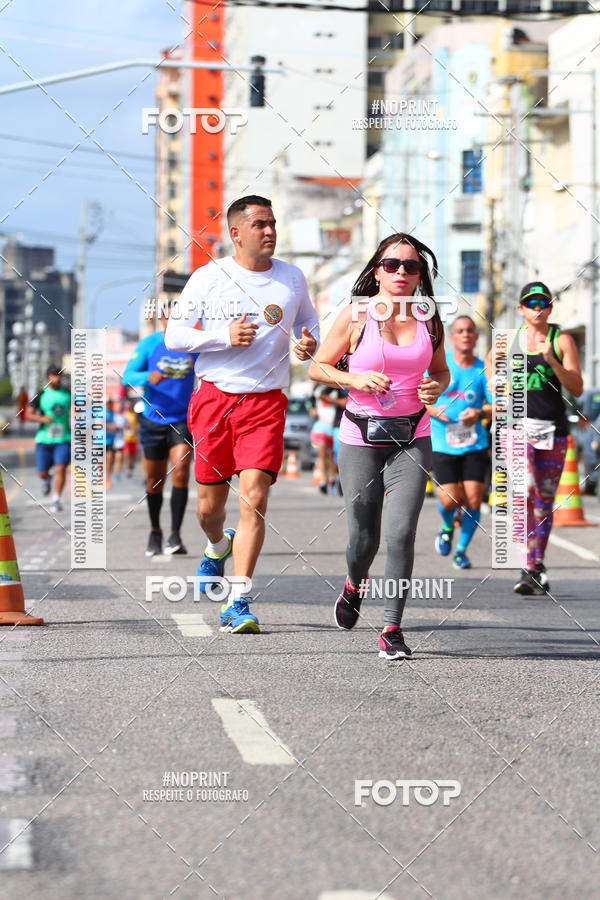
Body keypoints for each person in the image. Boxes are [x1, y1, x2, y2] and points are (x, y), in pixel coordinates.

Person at [165, 195, 318, 635]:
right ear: (236, 233)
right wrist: (221, 336)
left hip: (266, 402)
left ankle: (239, 600)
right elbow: (174, 335)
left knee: (255, 497)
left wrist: (309, 343)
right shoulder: (209, 277)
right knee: (208, 509)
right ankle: (216, 546)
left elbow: (311, 323)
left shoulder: (292, 278)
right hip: (215, 400)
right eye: (260, 225)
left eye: (272, 223)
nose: (269, 231)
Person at [308, 233, 449, 660]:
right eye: (392, 265)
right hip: (360, 437)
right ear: (377, 271)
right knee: (363, 538)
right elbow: (318, 368)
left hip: (413, 436)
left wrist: (433, 389)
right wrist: (354, 379)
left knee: (402, 531)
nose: (401, 272)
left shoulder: (429, 317)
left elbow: (440, 372)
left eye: (410, 266)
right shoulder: (357, 315)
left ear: (420, 274)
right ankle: (354, 584)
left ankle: (392, 627)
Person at [485, 281, 583, 595]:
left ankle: (535, 565)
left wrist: (552, 361)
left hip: (553, 431)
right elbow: (490, 363)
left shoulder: (561, 339)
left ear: (550, 307)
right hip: (516, 428)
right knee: (524, 490)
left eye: (543, 303)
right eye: (531, 303)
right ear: (521, 309)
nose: (537, 308)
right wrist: (494, 386)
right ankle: (529, 563)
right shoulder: (509, 339)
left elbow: (577, 386)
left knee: (543, 502)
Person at [123, 303, 196, 556]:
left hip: (182, 420)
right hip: (153, 420)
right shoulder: (149, 344)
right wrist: (147, 377)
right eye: (169, 317)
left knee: (181, 473)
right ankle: (155, 531)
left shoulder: (192, 345)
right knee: (154, 480)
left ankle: (175, 534)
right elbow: (127, 375)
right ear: (161, 319)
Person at [428, 316, 492, 570]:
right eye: (460, 331)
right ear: (452, 338)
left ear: (476, 337)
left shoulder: (482, 371)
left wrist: (479, 413)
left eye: (470, 331)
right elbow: (417, 396)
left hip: (474, 444)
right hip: (442, 443)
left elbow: (498, 404)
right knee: (449, 500)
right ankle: (446, 526)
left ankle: (461, 551)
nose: (466, 334)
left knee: (474, 501)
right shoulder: (438, 367)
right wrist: (433, 411)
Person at [25, 365, 71, 514]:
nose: (57, 378)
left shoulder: (68, 393)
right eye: (53, 375)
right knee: (42, 473)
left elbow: (80, 408)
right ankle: (46, 479)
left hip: (63, 438)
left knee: (61, 468)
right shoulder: (40, 395)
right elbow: (28, 414)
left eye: (58, 375)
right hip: (44, 439)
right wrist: (42, 418)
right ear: (48, 378)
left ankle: (56, 499)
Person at [310, 385, 346, 494]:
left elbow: (343, 402)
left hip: (335, 425)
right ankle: (323, 481)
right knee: (321, 453)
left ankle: (333, 478)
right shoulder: (318, 388)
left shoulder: (338, 386)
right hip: (321, 425)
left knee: (334, 455)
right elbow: (316, 401)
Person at [123, 399, 139, 477]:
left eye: (129, 404)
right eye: (126, 405)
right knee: (127, 453)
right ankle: (128, 468)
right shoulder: (124, 414)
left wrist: (135, 428)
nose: (128, 406)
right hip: (126, 438)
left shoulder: (134, 414)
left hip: (134, 438)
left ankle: (131, 464)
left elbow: (138, 425)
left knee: (133, 455)